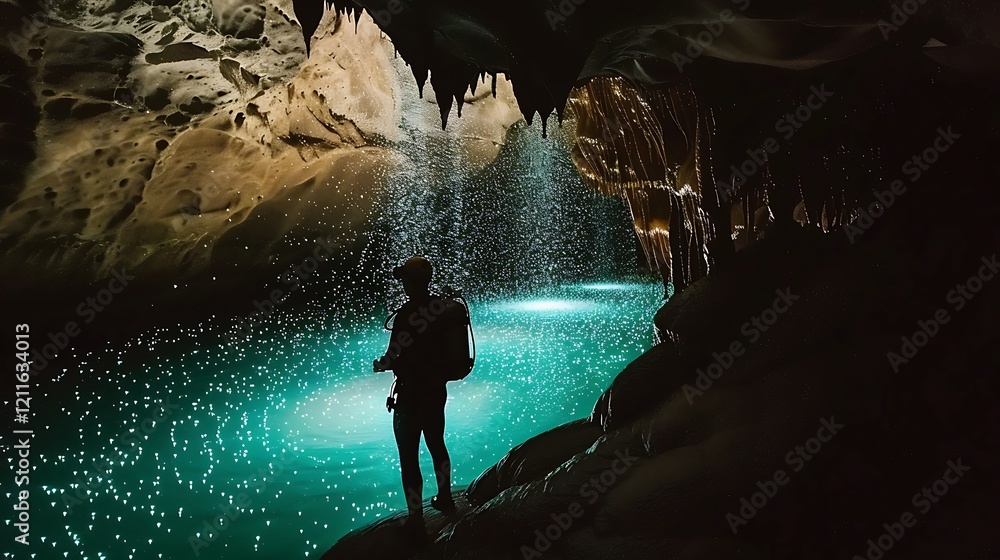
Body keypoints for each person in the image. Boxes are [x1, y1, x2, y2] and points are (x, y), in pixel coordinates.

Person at [374, 256, 456, 541]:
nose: (403, 283)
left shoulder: (406, 315)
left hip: (410, 394)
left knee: (409, 457)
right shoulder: (441, 309)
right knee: (437, 444)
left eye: (405, 278)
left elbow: (393, 355)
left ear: (413, 281)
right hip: (435, 390)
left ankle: (415, 520)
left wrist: (381, 365)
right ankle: (445, 497)